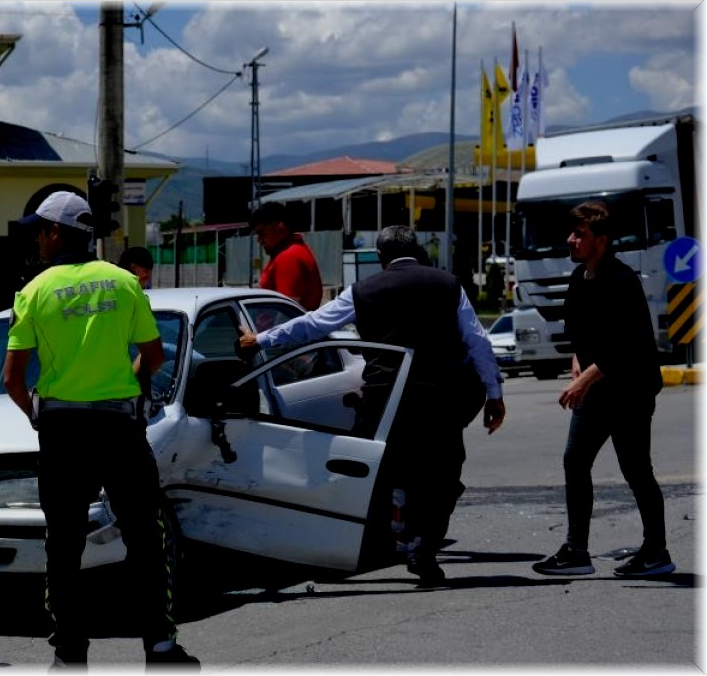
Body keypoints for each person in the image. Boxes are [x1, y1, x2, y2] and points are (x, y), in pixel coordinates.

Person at [238, 225, 506, 584]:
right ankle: (423, 548)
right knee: (442, 475)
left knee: (372, 475)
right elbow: (478, 343)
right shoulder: (447, 285)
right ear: (417, 251)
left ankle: (351, 549)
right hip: (439, 398)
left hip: (384, 399)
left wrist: (262, 339)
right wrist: (494, 394)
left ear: (381, 258)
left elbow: (313, 325)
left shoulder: (363, 291)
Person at [2, 191, 198, 669]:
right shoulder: (124, 282)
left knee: (64, 543)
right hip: (119, 427)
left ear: (53, 233)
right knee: (145, 539)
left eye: (39, 232)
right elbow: (153, 356)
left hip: (62, 430)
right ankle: (160, 646)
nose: (38, 241)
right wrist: (129, 385)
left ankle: (70, 653)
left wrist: (37, 414)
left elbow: (12, 379)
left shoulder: (34, 290)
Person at [532, 201, 673, 578]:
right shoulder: (581, 279)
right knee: (575, 461)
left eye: (580, 234)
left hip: (630, 390)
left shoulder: (621, 280)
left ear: (602, 240)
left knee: (636, 470)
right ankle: (576, 551)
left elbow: (624, 346)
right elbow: (580, 333)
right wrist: (578, 362)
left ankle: (656, 552)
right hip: (598, 389)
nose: (571, 239)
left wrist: (585, 378)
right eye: (572, 232)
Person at [250, 201, 323, 310]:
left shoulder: (288, 257)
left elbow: (287, 312)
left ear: (280, 228)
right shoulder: (291, 251)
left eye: (262, 233)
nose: (259, 240)